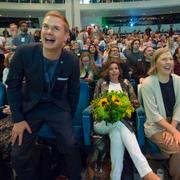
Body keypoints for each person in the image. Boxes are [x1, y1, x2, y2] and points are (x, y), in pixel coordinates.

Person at [6, 10, 82, 180]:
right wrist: (18, 119)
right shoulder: (23, 53)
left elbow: (74, 91)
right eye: (46, 27)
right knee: (17, 154)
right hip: (31, 107)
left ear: (66, 36)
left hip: (57, 108)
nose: (48, 31)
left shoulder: (71, 61)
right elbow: (13, 86)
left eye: (55, 28)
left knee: (70, 146)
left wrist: (68, 114)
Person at [93, 61, 160, 180]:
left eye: (116, 68)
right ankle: (145, 171)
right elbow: (95, 105)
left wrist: (125, 106)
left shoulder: (125, 83)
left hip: (120, 123)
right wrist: (108, 110)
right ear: (107, 71)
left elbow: (135, 103)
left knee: (117, 134)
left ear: (120, 71)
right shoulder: (101, 83)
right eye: (111, 69)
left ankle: (115, 177)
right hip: (102, 122)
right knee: (118, 124)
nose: (114, 71)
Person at [141, 48, 180, 180]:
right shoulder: (147, 84)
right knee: (178, 149)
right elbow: (153, 115)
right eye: (164, 59)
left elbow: (179, 107)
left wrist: (172, 129)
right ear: (155, 63)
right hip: (156, 126)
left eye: (170, 59)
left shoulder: (178, 80)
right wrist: (172, 131)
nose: (168, 62)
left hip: (175, 123)